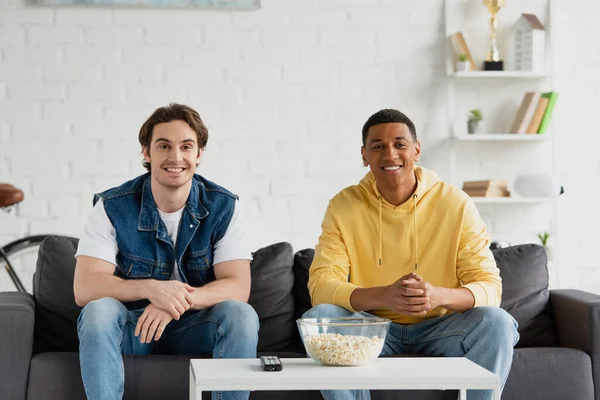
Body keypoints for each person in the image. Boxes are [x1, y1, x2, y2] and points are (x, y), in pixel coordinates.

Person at [304, 109, 519, 400]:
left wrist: (438, 296)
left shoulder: (456, 204)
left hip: (441, 327)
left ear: (416, 150)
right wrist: (384, 296)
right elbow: (321, 287)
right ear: (364, 155)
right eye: (377, 146)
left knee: (497, 322)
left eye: (399, 144)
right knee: (322, 317)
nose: (389, 154)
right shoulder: (343, 206)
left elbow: (490, 287)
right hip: (372, 329)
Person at [73, 103, 258, 400]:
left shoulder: (224, 206)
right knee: (98, 311)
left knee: (240, 314)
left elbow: (238, 286)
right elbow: (85, 288)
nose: (176, 157)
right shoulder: (111, 206)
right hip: (134, 327)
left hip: (194, 327)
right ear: (146, 153)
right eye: (163, 146)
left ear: (199, 154)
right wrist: (153, 289)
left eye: (186, 146)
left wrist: (174, 301)